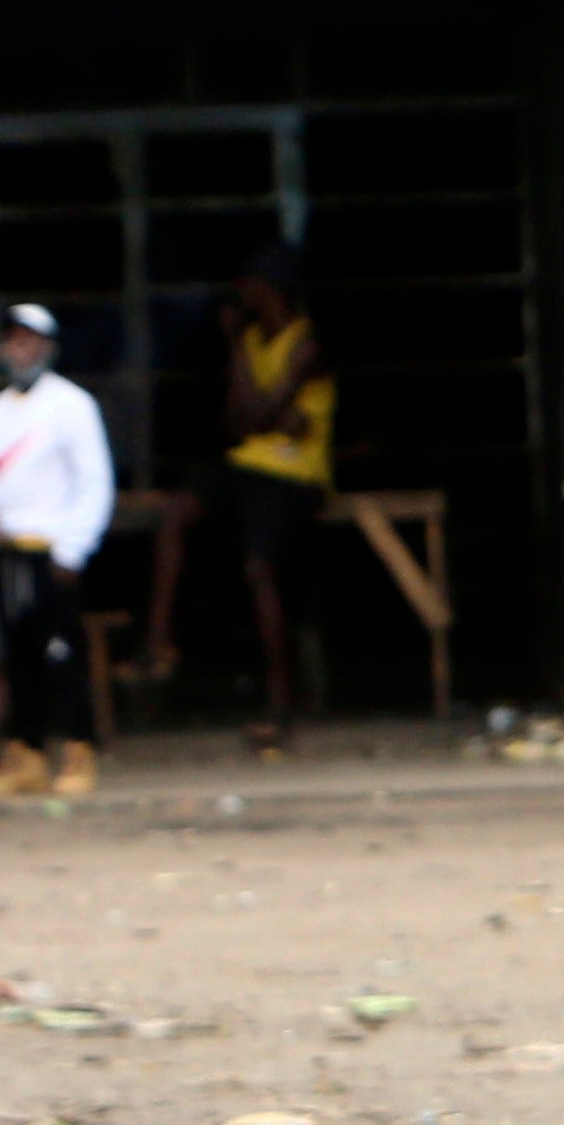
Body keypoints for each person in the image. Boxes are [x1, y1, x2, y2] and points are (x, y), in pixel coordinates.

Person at [0, 301, 113, 798]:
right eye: (14, 340)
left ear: (49, 347)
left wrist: (74, 548)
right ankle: (28, 753)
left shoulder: (72, 404)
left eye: (31, 340)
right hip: (9, 548)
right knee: (18, 656)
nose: (22, 349)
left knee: (61, 653)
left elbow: (95, 483)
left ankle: (80, 749)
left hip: (54, 548)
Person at [208, 244, 335, 751]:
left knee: (262, 572)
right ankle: (157, 646)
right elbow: (238, 419)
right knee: (181, 514)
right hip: (253, 466)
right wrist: (239, 348)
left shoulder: (305, 345)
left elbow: (258, 413)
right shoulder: (255, 342)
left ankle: (281, 702)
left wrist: (262, 414)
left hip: (295, 476)